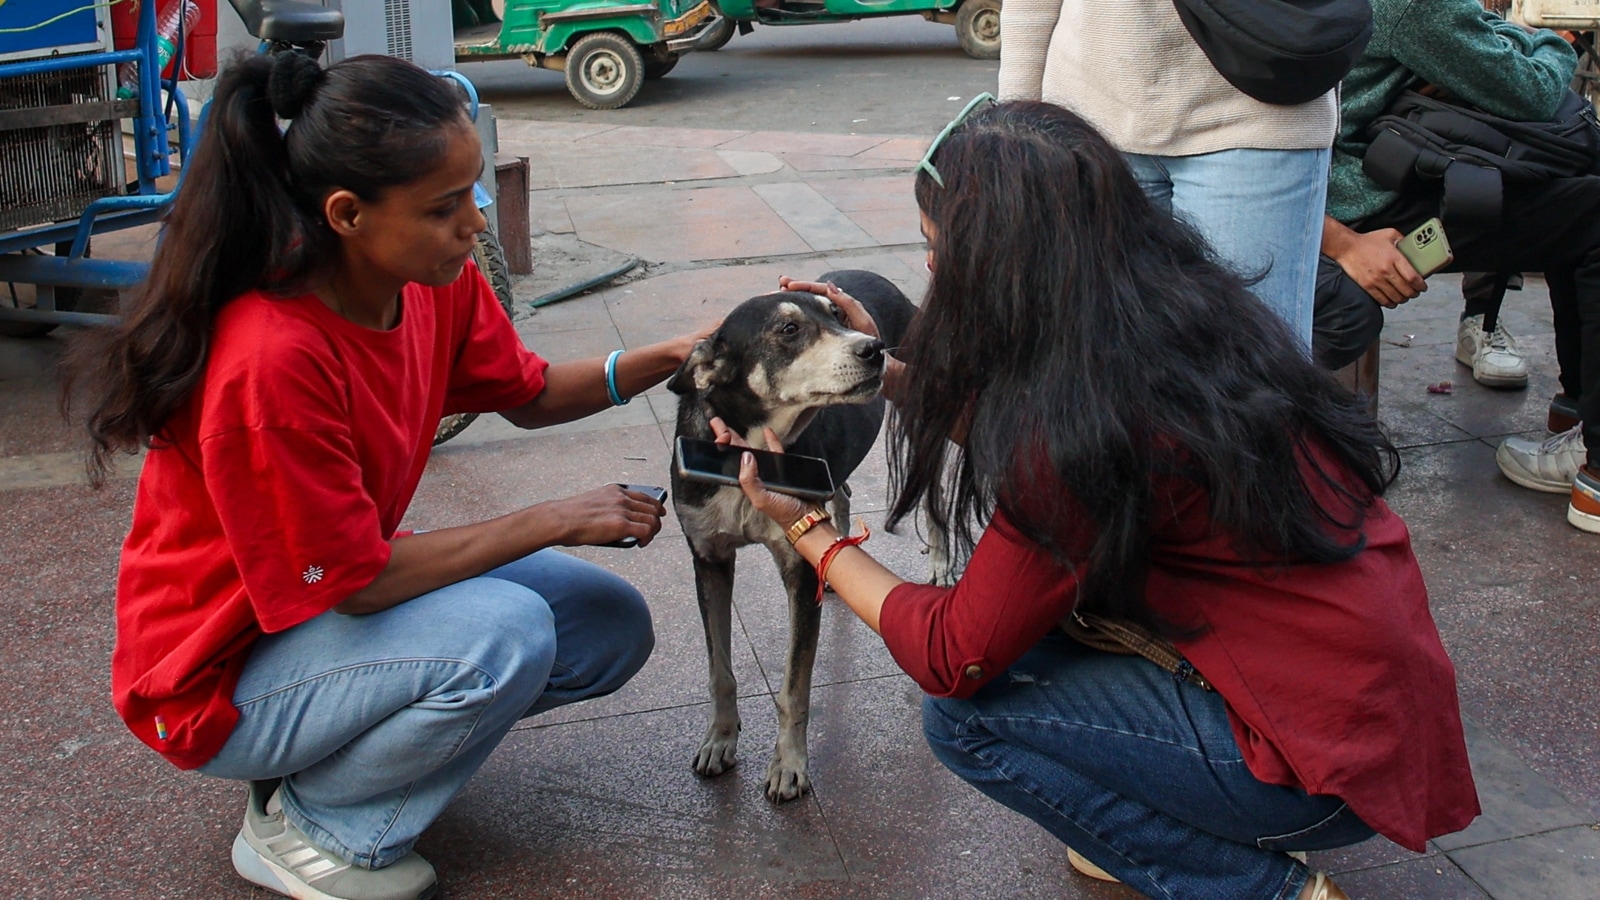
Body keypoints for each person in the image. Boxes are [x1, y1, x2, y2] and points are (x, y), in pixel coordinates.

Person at [722, 100, 1479, 900]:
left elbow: (948, 652)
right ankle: (1166, 809)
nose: (936, 273)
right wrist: (894, 373)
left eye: (944, 250)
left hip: (1315, 769)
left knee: (965, 717)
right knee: (1043, 635)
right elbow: (1021, 431)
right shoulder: (1178, 314)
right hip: (1372, 707)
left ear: (1007, 264)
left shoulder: (1077, 435)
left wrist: (807, 531)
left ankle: (1260, 887)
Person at [64, 52, 711, 900]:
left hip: (318, 616)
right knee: (506, 634)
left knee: (605, 625)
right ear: (348, 214)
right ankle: (313, 827)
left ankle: (341, 752)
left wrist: (668, 357)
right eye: (444, 208)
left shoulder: (427, 280)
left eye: (471, 194)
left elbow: (530, 393)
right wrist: (553, 518)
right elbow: (359, 586)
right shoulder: (272, 359)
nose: (473, 224)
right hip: (216, 674)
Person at [1317, 0, 1600, 531]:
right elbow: (1534, 89)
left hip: (1348, 182)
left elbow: (1478, 35)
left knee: (1575, 196)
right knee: (1590, 210)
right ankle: (1595, 468)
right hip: (1369, 201)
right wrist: (1550, 42)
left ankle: (1578, 407)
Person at [999, 0, 1335, 350]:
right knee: (1101, 372)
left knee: (1252, 369)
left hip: (1257, 105)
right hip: (1088, 117)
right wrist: (1016, 132)